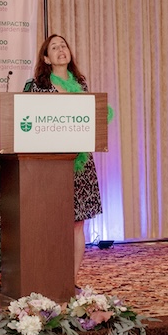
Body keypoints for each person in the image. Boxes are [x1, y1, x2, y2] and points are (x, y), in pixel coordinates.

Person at [23, 33, 103, 277]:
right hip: (50, 164)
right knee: (52, 221)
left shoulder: (81, 85)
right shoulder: (36, 86)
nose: (61, 50)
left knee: (77, 223)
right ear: (46, 58)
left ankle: (71, 278)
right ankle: (49, 276)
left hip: (79, 163)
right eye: (54, 47)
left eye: (63, 46)